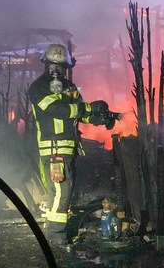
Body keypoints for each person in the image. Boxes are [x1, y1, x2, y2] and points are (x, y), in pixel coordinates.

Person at [28, 43, 115, 248]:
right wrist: (85, 107)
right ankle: (56, 237)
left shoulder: (69, 87)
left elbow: (81, 113)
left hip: (69, 148)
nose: (57, 71)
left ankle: (55, 231)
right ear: (45, 65)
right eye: (52, 65)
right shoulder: (38, 88)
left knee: (61, 192)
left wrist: (100, 116)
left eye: (61, 67)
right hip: (53, 149)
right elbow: (57, 109)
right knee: (61, 192)